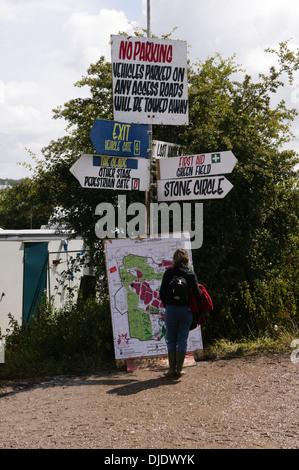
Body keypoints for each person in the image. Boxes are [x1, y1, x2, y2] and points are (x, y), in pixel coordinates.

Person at [159, 248, 201, 378]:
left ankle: (171, 370)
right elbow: (198, 295)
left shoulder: (169, 273)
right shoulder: (190, 274)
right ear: (187, 259)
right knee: (182, 340)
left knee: (171, 340)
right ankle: (180, 370)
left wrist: (169, 306)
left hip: (171, 310)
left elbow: (162, 293)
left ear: (174, 259)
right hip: (185, 310)